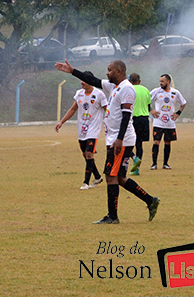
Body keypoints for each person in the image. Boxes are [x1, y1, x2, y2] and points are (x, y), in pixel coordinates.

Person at [55, 58, 160, 224]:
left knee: (111, 176)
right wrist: (72, 71)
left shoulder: (126, 89)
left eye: (109, 70)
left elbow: (127, 115)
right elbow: (94, 80)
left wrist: (119, 139)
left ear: (119, 71)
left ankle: (112, 217)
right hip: (116, 139)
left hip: (121, 140)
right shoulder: (114, 86)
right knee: (119, 178)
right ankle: (150, 200)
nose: (106, 72)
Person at [55, 75, 108, 190]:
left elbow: (107, 110)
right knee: (86, 155)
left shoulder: (100, 95)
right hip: (82, 129)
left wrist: (112, 123)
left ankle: (85, 182)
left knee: (89, 154)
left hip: (94, 129)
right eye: (81, 80)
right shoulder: (79, 93)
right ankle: (98, 177)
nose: (82, 82)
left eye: (84, 80)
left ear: (90, 81)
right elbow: (73, 109)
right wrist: (61, 122)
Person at [149, 74, 187, 170]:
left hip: (170, 123)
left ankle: (165, 164)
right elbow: (145, 100)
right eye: (160, 81)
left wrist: (178, 113)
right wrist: (151, 110)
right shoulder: (156, 91)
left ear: (168, 82)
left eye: (162, 81)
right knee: (156, 142)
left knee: (167, 142)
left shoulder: (175, 92)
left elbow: (183, 103)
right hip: (158, 122)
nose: (161, 83)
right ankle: (154, 164)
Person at [128, 73, 151, 175]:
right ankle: (137, 169)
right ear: (139, 81)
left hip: (133, 119)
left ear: (129, 81)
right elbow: (148, 105)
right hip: (144, 119)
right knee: (139, 144)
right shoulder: (146, 90)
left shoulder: (129, 90)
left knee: (126, 143)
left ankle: (134, 158)